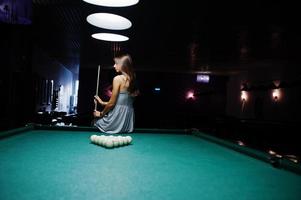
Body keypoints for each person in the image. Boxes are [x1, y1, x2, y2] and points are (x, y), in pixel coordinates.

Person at [93, 53, 138, 134]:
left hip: (116, 120)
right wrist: (102, 102)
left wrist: (101, 114)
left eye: (116, 63)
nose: (114, 66)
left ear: (123, 65)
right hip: (128, 123)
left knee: (95, 122)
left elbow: (112, 104)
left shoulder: (118, 79)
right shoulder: (133, 80)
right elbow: (122, 103)